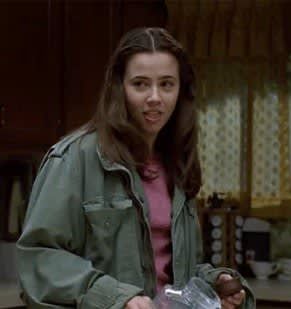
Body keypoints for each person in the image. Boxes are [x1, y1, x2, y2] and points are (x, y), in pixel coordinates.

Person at [17, 27, 255, 308]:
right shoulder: (74, 158)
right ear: (119, 88)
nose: (155, 97)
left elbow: (172, 273)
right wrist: (119, 298)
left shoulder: (178, 162)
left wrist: (214, 283)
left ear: (181, 90)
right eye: (140, 84)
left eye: (166, 84)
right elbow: (38, 261)